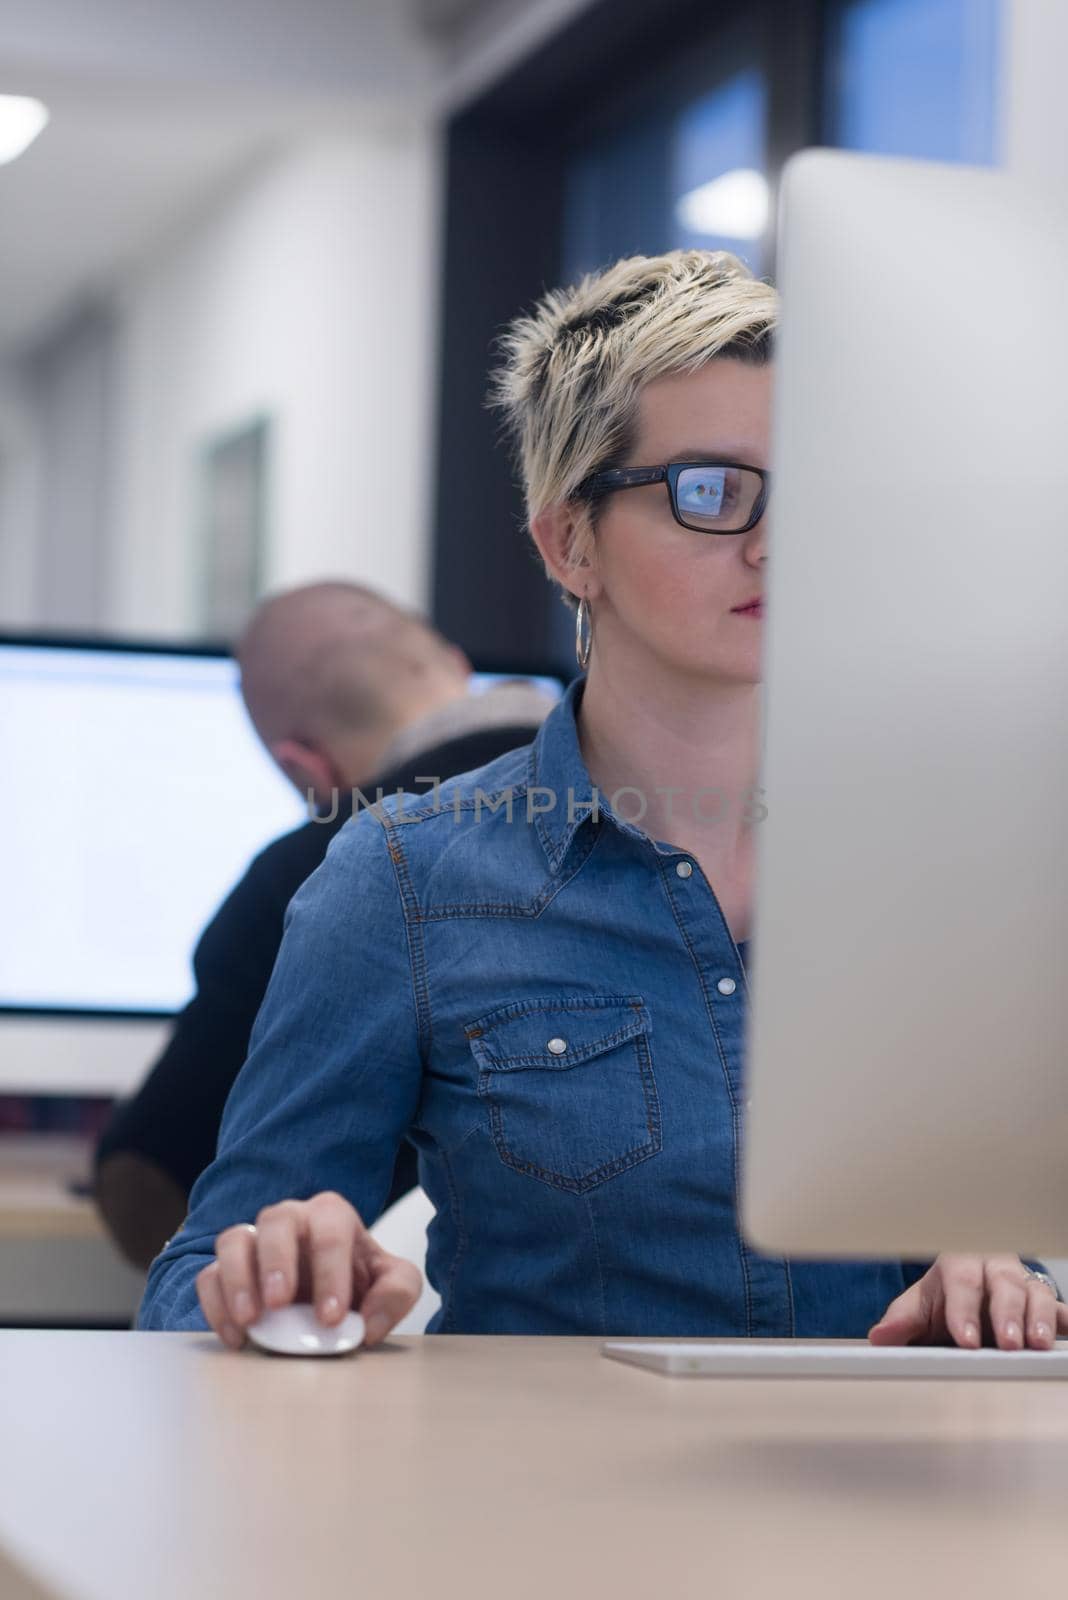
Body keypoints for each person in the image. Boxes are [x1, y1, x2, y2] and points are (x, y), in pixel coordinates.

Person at [138, 251, 1064, 1351]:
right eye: (711, 490)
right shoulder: (405, 880)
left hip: (877, 1505)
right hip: (547, 1509)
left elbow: (1001, 1236)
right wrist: (280, 1271)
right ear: (570, 541)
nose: (778, 541)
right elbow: (193, 1283)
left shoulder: (935, 869)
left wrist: (1006, 1281)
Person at [93, 581, 556, 1269]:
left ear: (304, 766)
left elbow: (151, 1179)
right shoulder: (671, 810)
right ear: (459, 668)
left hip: (391, 1337)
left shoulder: (313, 867)